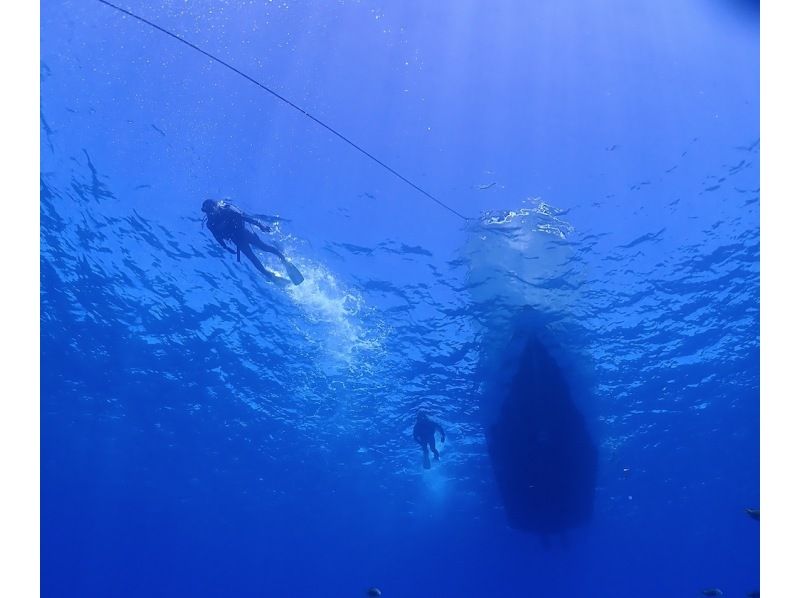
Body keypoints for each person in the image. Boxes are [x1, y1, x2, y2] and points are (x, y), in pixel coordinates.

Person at [201, 199, 303, 286]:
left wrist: (260, 225)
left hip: (244, 233)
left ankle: (284, 260)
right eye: (208, 211)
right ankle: (268, 274)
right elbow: (217, 237)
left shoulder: (227, 211)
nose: (210, 213)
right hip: (237, 240)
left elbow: (245, 218)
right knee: (252, 258)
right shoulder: (210, 224)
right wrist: (225, 247)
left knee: (264, 247)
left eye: (211, 210)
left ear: (216, 206)